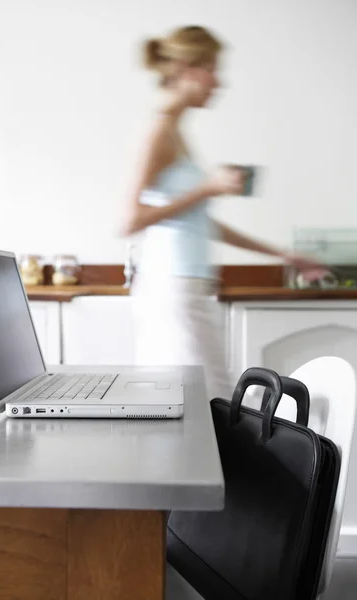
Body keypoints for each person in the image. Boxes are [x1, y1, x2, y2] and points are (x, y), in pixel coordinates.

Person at [121, 25, 323, 399]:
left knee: (205, 407)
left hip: (186, 289)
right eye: (212, 68)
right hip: (172, 290)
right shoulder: (158, 131)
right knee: (207, 408)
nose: (219, 81)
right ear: (186, 68)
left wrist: (283, 254)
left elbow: (198, 223)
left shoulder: (175, 131)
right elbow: (128, 220)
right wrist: (207, 188)